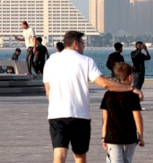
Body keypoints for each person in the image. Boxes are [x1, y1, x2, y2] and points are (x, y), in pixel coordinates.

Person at [43, 30, 143, 163]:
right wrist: (130, 88)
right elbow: (104, 83)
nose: (83, 46)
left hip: (56, 115)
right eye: (82, 43)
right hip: (80, 116)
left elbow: (48, 91)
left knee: (59, 154)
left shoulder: (50, 62)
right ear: (75, 44)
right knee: (79, 155)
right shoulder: (86, 61)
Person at [100, 62, 145, 163]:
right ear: (130, 77)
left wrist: (103, 136)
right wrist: (141, 137)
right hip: (130, 137)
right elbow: (138, 119)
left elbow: (105, 119)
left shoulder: (108, 95)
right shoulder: (133, 96)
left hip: (112, 136)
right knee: (127, 160)